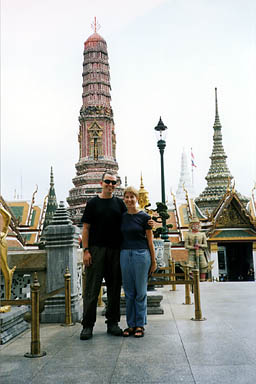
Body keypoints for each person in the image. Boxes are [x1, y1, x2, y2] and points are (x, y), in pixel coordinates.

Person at [80, 171, 126, 340]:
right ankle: (87, 325)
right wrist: (86, 250)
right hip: (96, 250)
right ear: (101, 183)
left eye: (114, 183)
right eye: (108, 182)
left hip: (115, 250)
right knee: (92, 289)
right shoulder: (92, 203)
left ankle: (113, 322)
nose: (110, 185)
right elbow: (86, 228)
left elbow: (129, 223)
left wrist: (148, 222)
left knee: (114, 288)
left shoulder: (119, 204)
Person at [120, 186, 157, 338]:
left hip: (141, 254)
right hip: (124, 254)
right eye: (126, 197)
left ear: (137, 198)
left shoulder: (145, 218)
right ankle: (131, 324)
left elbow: (150, 241)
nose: (129, 200)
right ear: (124, 199)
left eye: (132, 197)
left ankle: (140, 324)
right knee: (128, 292)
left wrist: (153, 261)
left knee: (140, 292)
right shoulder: (121, 217)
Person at [184, 215, 208, 281]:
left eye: (197, 224)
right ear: (191, 225)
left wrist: (199, 245)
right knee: (190, 267)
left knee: (204, 266)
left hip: (200, 252)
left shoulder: (202, 234)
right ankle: (192, 281)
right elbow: (186, 246)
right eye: (194, 224)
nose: (195, 226)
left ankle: (203, 280)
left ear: (199, 225)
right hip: (191, 253)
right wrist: (193, 247)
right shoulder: (188, 234)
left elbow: (205, 245)